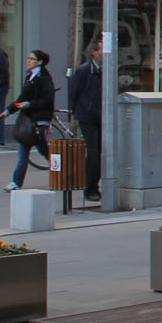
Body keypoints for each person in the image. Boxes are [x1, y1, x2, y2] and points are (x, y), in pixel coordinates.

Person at [4, 50, 55, 191]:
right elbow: (22, 98)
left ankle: (16, 182)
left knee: (33, 151)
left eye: (32, 58)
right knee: (38, 151)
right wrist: (8, 110)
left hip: (38, 120)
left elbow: (48, 99)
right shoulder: (30, 76)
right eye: (28, 58)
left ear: (40, 62)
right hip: (29, 120)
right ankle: (64, 171)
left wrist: (30, 104)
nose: (28, 60)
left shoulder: (44, 79)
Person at [66, 39, 105, 202]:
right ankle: (90, 188)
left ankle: (95, 184)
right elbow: (73, 92)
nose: (105, 53)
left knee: (102, 152)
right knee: (93, 152)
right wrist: (76, 112)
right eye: (102, 50)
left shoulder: (107, 70)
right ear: (94, 52)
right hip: (87, 116)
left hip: (103, 116)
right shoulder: (84, 71)